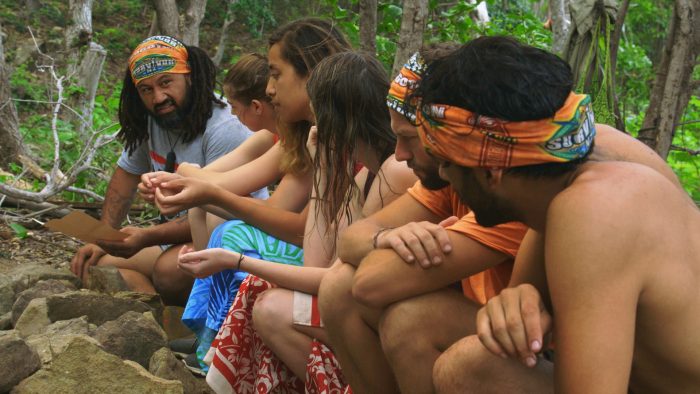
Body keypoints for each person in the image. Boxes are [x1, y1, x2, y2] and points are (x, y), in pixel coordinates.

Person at [319, 44, 687, 393]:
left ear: (493, 170)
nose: (444, 177)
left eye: (447, 163)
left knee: (465, 369)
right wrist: (517, 304)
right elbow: (518, 302)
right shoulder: (564, 178)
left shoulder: (596, 210)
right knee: (463, 361)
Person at [178, 49, 417, 393]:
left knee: (270, 306)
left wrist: (237, 260)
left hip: (378, 317)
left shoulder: (393, 171)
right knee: (257, 292)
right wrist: (324, 168)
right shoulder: (364, 175)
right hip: (354, 304)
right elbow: (317, 260)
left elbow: (329, 279)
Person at [70, 35, 258, 305]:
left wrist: (147, 237)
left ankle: (179, 312)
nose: (158, 97)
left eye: (166, 83)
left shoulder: (225, 126)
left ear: (189, 76)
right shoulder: (152, 121)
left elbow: (221, 210)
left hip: (229, 236)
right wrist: (102, 237)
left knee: (169, 272)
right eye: (146, 90)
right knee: (96, 263)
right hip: (176, 238)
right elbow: (124, 179)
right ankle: (158, 321)